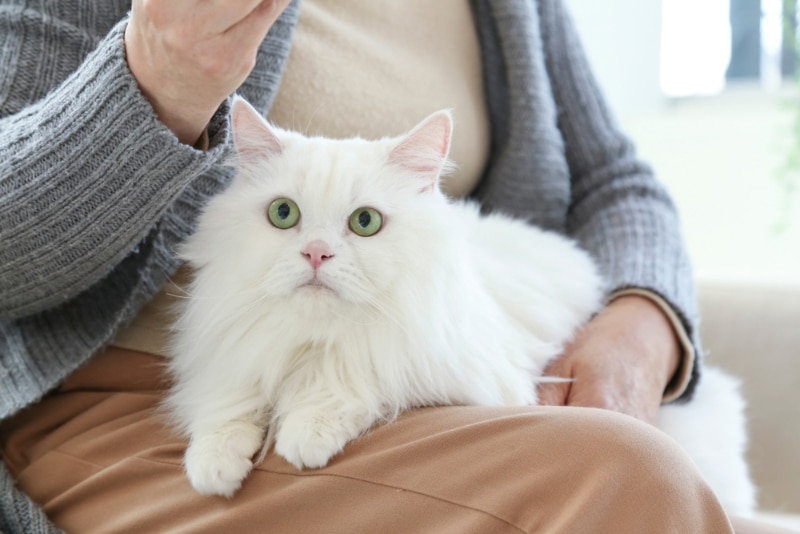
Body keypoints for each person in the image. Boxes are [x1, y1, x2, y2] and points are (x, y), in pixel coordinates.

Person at [0, 1, 770, 532]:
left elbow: (615, 181)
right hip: (126, 406)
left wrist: (644, 324)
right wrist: (153, 84)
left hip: (411, 377)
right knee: (635, 484)